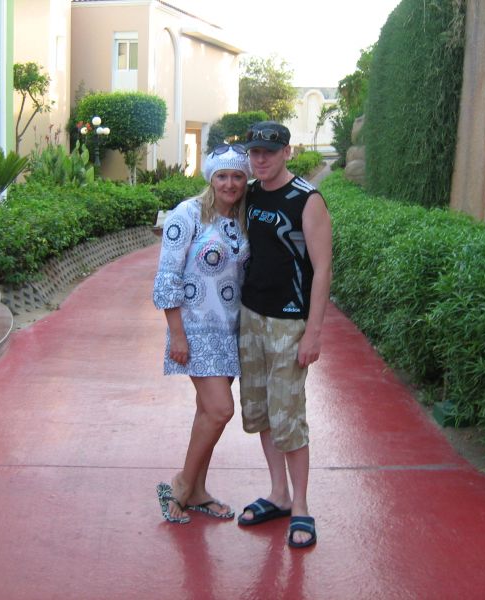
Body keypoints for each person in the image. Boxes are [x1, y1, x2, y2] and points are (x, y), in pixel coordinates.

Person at [236, 121, 332, 548]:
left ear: (287, 153)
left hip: (289, 322)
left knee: (289, 415)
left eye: (269, 152)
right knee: (262, 411)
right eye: (255, 152)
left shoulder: (306, 200)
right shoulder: (252, 194)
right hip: (251, 316)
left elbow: (323, 269)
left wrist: (314, 332)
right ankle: (278, 494)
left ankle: (301, 507)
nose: (261, 159)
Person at [153, 144, 252, 524]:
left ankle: (197, 491)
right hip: (195, 330)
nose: (230, 183)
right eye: (222, 176)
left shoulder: (241, 218)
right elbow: (168, 275)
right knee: (221, 409)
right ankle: (182, 483)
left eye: (238, 176)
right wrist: (177, 334)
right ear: (211, 178)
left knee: (207, 413)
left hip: (230, 330)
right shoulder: (188, 213)